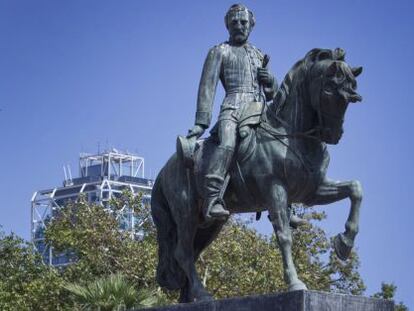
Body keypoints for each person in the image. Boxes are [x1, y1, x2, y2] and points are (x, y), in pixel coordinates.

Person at [187, 4, 277, 219]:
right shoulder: (219, 51)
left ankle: (286, 204)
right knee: (228, 143)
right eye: (234, 22)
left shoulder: (258, 54)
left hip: (260, 110)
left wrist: (270, 81)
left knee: (280, 146)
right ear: (227, 25)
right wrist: (201, 123)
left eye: (243, 22)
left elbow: (271, 93)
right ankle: (212, 198)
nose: (239, 26)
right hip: (233, 108)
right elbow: (207, 88)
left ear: (251, 25)